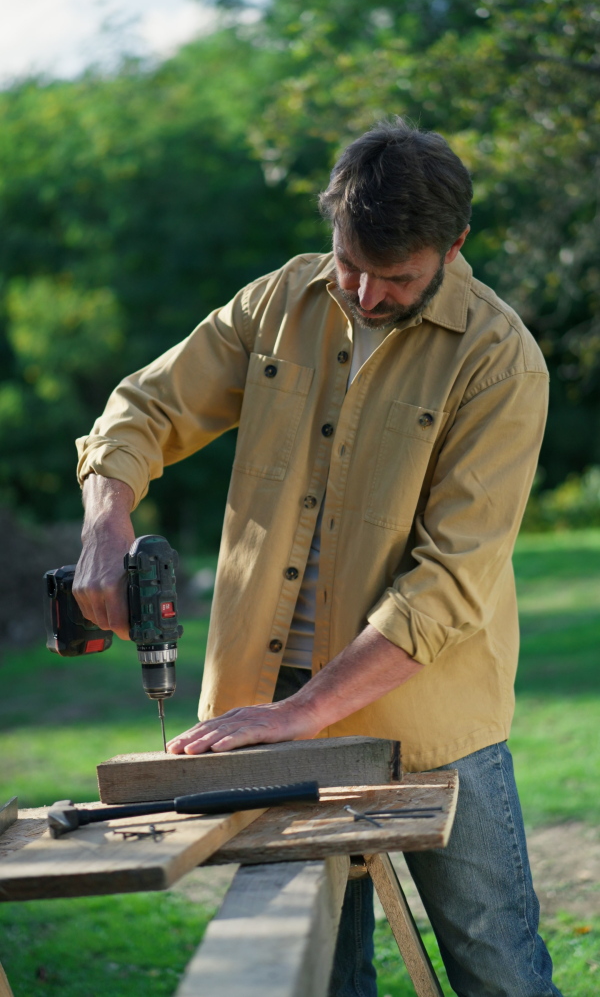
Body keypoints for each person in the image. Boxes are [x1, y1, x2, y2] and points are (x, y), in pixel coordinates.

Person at [74, 119, 562, 997]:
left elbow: (448, 582)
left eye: (397, 277)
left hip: (430, 719)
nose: (366, 294)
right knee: (314, 975)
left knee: (501, 973)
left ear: (454, 247)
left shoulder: (500, 361)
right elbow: (143, 406)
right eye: (350, 265)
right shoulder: (278, 303)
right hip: (262, 709)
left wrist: (305, 712)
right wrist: (104, 517)